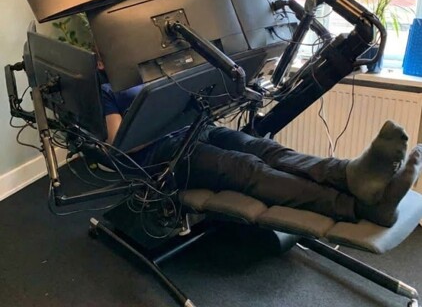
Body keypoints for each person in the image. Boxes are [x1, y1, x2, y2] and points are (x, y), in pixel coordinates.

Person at [101, 81, 422, 228]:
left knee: (267, 149)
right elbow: (119, 144)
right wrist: (161, 120)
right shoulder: (109, 92)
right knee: (245, 167)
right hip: (164, 154)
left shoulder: (157, 70)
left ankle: (350, 175)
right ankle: (358, 206)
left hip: (201, 128)